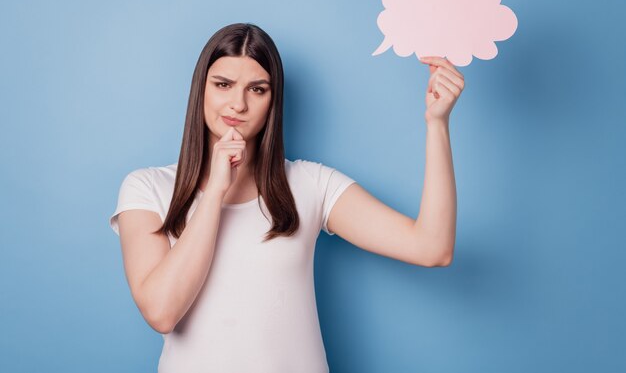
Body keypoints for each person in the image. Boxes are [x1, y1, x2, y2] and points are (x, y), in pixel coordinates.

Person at [108, 22, 464, 373]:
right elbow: (161, 312)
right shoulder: (148, 188)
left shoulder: (310, 185)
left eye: (257, 89)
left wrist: (437, 123)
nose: (238, 103)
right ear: (201, 89)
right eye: (223, 85)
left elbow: (431, 247)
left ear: (272, 102)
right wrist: (215, 191)